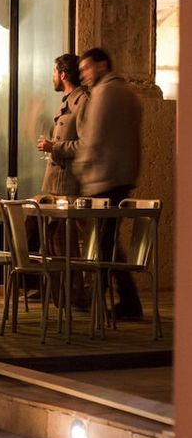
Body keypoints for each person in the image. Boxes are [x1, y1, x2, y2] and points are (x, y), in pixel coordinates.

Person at [73, 47, 143, 320]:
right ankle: (109, 297)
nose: (83, 75)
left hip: (103, 180)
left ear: (102, 65)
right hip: (122, 178)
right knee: (108, 241)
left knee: (104, 243)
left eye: (86, 68)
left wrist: (81, 168)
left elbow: (94, 137)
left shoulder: (104, 93)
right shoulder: (127, 93)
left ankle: (112, 298)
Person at [36, 54, 89, 307]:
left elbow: (86, 144)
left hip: (69, 185)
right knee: (54, 242)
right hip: (55, 186)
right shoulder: (67, 101)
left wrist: (53, 147)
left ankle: (74, 295)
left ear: (63, 74)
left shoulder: (82, 101)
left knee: (67, 244)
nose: (52, 77)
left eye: (54, 72)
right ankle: (59, 294)